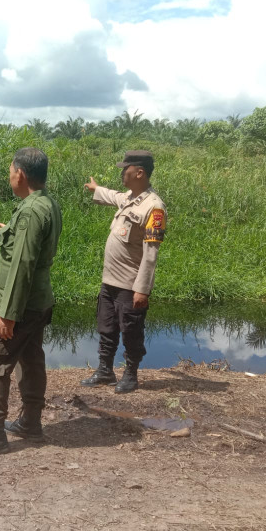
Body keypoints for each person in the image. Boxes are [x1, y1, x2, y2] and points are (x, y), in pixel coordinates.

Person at [0, 147, 63, 458]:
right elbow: (32, 247)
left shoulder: (31, 211)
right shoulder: (46, 204)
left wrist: (8, 313)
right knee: (30, 358)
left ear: (21, 174)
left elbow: (23, 266)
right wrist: (10, 232)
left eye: (10, 173)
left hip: (23, 304)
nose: (9, 179)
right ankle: (30, 422)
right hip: (39, 301)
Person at [80, 150, 167, 393]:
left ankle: (130, 375)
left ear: (139, 172)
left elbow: (151, 254)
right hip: (110, 281)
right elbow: (113, 196)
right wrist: (96, 188)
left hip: (130, 285)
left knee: (131, 331)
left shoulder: (154, 208)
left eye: (125, 169)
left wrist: (142, 289)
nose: (122, 173)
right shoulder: (131, 197)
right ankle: (105, 371)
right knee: (106, 327)